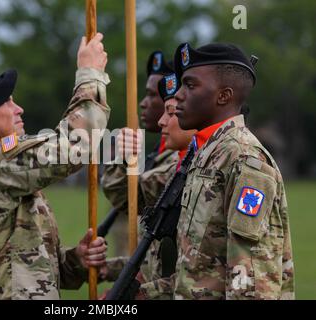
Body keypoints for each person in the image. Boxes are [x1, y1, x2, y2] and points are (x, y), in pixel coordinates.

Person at [0, 33, 110, 299]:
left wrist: (75, 261)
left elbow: (31, 272)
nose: (18, 108)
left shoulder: (2, 165)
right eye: (6, 102)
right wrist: (90, 74)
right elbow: (74, 148)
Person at [149, 42, 294, 299]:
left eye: (190, 85)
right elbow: (203, 268)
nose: (178, 95)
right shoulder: (208, 154)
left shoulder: (243, 158)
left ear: (223, 96)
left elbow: (250, 280)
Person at [101, 70, 197, 300]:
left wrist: (140, 294)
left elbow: (210, 267)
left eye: (171, 111)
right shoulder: (178, 162)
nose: (161, 120)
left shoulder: (200, 167)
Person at [101, 51, 179, 257]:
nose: (143, 103)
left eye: (153, 95)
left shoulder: (183, 157)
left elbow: (127, 196)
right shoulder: (160, 150)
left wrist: (123, 157)